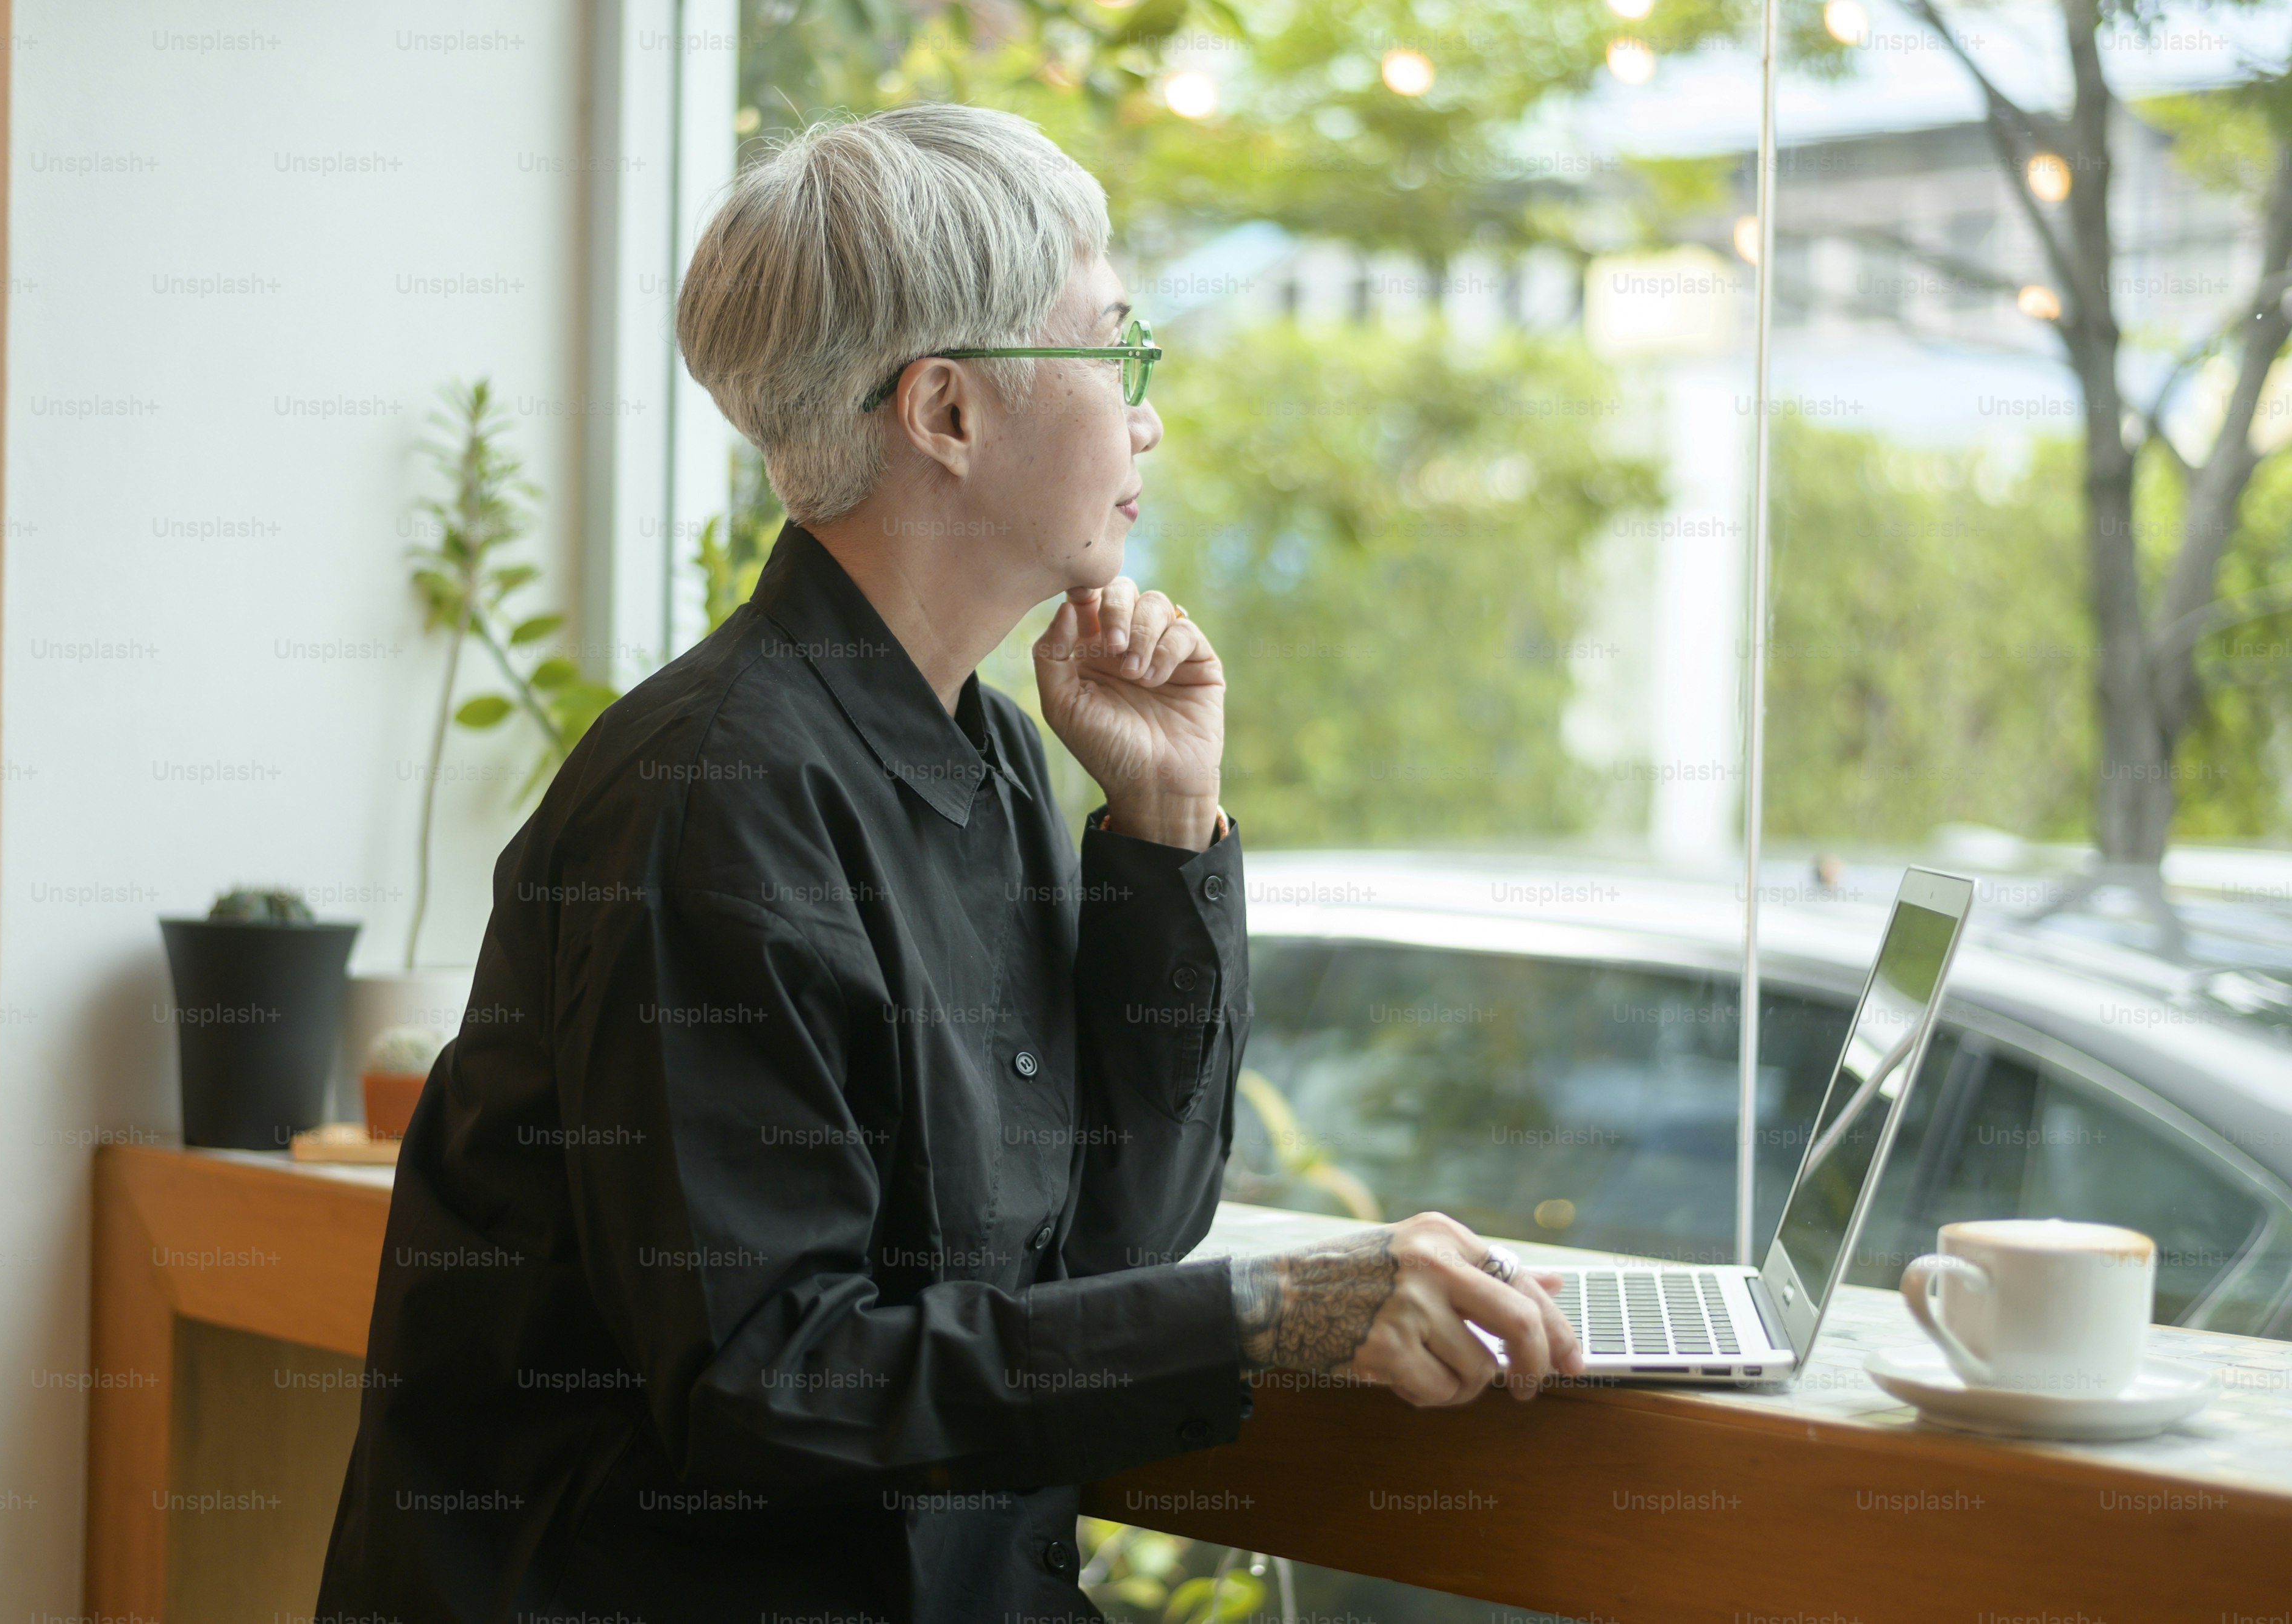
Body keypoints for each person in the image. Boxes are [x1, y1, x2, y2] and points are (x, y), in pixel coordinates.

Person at [315, 101, 1582, 1624]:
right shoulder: (711, 799)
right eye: (1112, 348)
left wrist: (1164, 821)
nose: (1146, 417)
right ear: (947, 414)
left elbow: (1115, 1234)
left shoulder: (982, 753)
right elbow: (766, 1380)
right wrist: (1258, 1313)